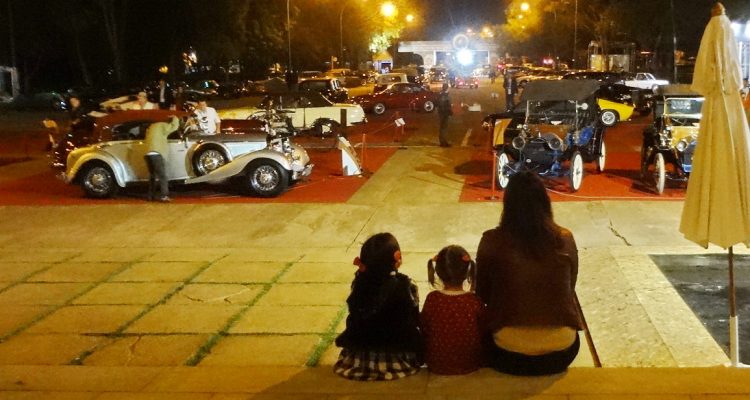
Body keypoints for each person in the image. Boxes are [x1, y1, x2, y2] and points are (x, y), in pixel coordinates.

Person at [475, 171, 582, 376]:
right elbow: (570, 288)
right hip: (561, 353)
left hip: (507, 354)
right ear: (545, 202)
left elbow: (481, 295)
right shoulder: (565, 239)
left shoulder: (491, 241)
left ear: (508, 206)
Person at [334, 232, 422, 381]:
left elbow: (354, 317)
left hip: (358, 358)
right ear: (397, 260)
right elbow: (413, 320)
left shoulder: (359, 284)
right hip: (396, 359)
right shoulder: (406, 286)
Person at [420, 245, 484, 375]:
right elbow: (483, 329)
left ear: (438, 271)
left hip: (436, 363)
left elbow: (424, 327)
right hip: (470, 363)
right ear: (467, 271)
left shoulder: (433, 299)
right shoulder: (474, 301)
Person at [144, 116, 179, 202]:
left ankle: (150, 196)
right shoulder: (162, 125)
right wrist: (175, 118)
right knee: (162, 176)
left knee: (152, 176)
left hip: (148, 153)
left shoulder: (151, 127)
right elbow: (174, 127)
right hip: (157, 153)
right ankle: (164, 196)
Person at [437, 83, 452, 147]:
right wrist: (447, 111)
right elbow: (442, 104)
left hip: (443, 113)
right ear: (446, 88)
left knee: (443, 128)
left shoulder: (443, 94)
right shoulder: (444, 95)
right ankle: (443, 142)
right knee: (443, 128)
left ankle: (443, 141)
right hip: (444, 113)